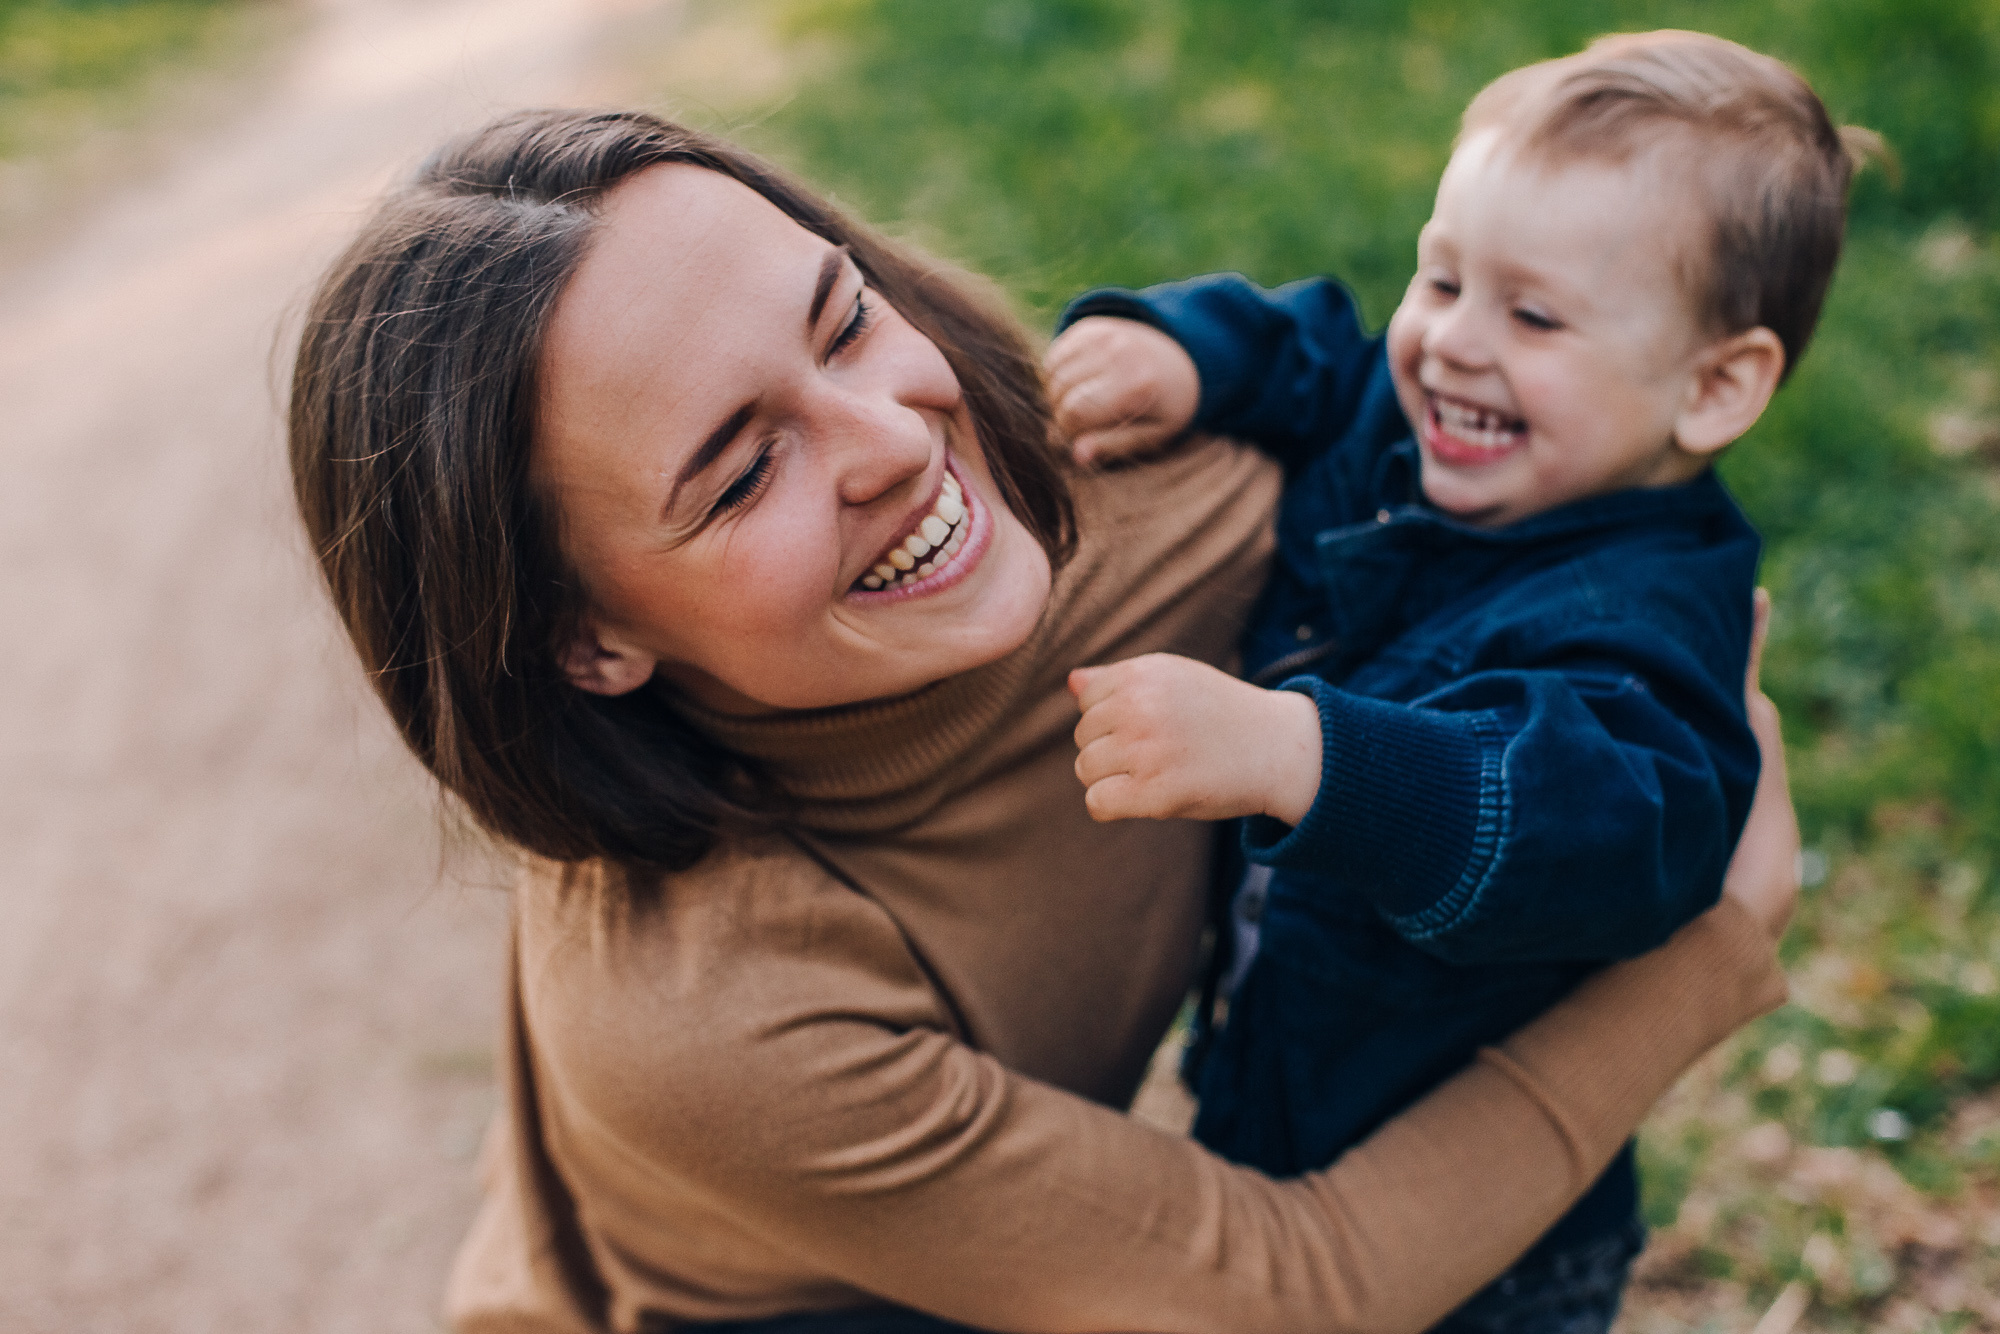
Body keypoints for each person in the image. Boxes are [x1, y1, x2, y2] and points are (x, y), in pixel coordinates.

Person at [287, 108, 1797, 1334]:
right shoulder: (707, 1014)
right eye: (743, 472)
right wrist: (1709, 955)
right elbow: (1298, 1289)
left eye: (844, 321)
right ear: (584, 638)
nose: (896, 443)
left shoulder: (1181, 500)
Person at [1044, 31, 1860, 1334]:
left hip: (1493, 1240)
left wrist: (1295, 753)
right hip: (1283, 1083)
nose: (1447, 347)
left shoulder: (1644, 617)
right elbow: (1317, 349)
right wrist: (1183, 352)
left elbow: (1570, 823)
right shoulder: (1431, 422)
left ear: (1714, 389)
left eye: (1532, 314)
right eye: (1441, 278)